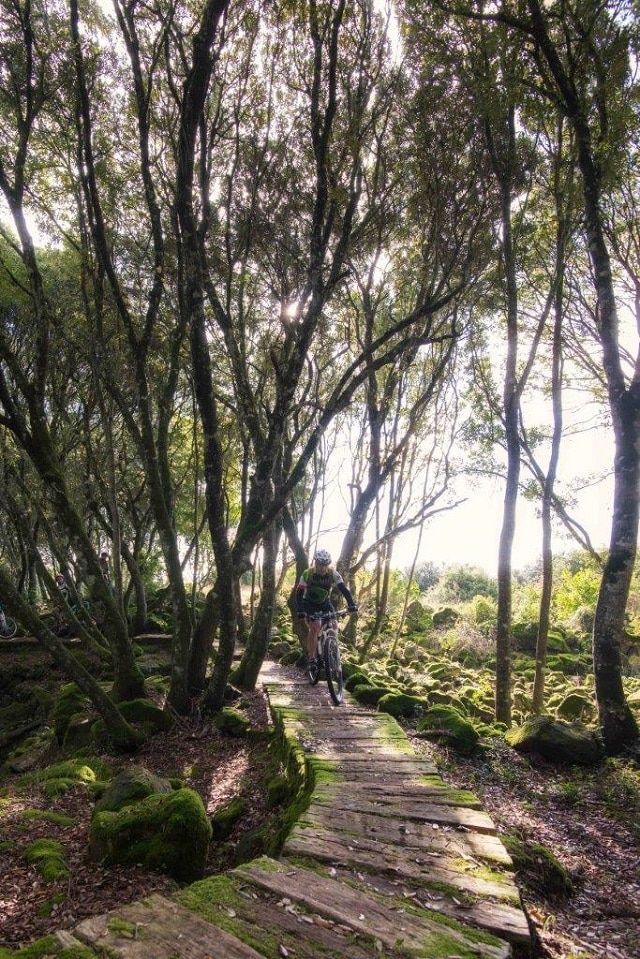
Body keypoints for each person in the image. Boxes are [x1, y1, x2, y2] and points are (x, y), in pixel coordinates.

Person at [296, 549, 357, 668]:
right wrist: (300, 611)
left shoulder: (333, 574)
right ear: (315, 563)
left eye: (325, 565)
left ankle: (332, 652)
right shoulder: (307, 574)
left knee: (334, 625)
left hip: (325, 603)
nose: (323, 568)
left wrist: (351, 605)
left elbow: (344, 590)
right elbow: (298, 594)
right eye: (320, 564)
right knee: (316, 625)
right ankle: (312, 658)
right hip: (309, 603)